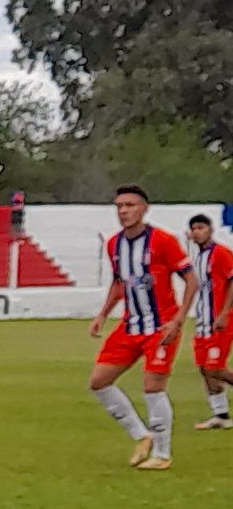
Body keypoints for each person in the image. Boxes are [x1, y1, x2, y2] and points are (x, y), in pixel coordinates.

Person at [88, 185, 197, 471]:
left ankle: (162, 454)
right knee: (98, 381)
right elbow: (118, 283)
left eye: (130, 205)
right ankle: (142, 435)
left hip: (161, 326)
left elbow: (192, 280)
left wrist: (179, 319)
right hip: (130, 325)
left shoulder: (163, 241)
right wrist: (102, 314)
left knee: (152, 386)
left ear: (144, 208)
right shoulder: (114, 244)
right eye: (119, 206)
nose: (123, 211)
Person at [186, 215, 233, 430]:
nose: (197, 232)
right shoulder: (198, 257)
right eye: (193, 228)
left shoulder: (221, 253)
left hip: (220, 320)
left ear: (210, 230)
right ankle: (221, 415)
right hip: (203, 321)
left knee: (215, 368)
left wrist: (223, 313)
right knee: (204, 368)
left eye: (201, 227)